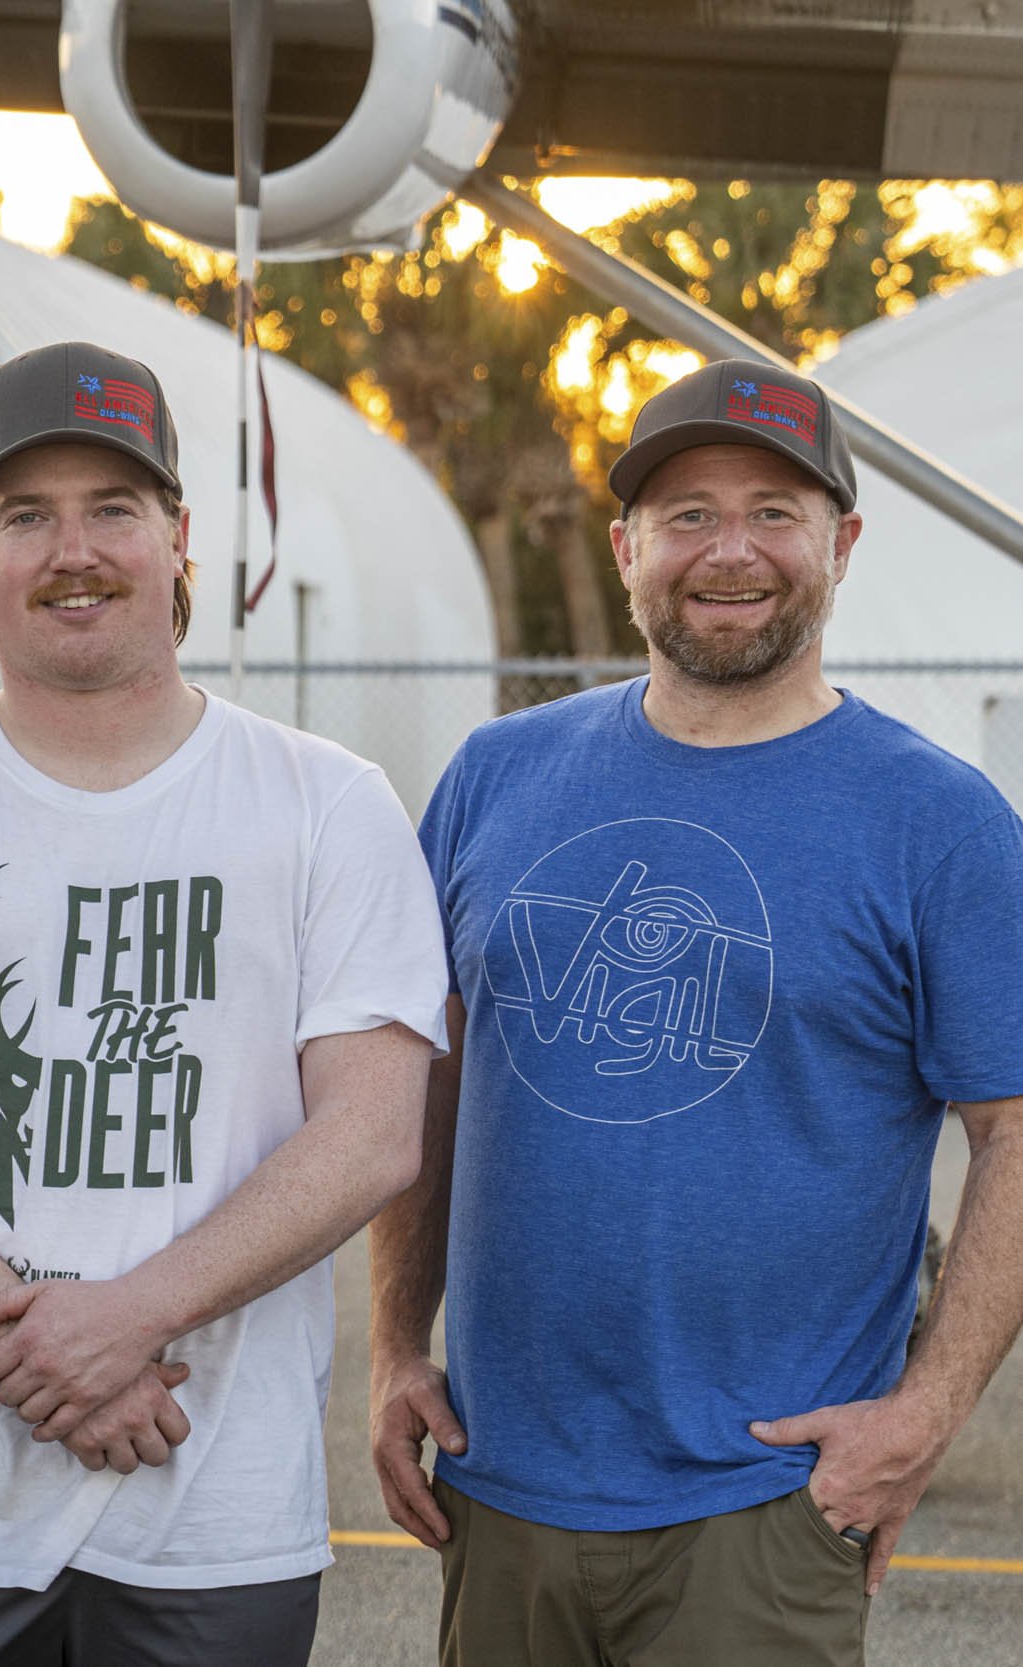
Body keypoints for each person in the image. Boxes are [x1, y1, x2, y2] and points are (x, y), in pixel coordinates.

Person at [0, 341, 449, 1665]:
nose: (74, 549)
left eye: (112, 509)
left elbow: (371, 1137)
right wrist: (57, 1357)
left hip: (215, 1513)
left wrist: (135, 1319)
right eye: (26, 516)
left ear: (180, 535)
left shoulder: (326, 805)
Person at [370, 357, 1023, 1665]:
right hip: (500, 1494)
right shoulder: (499, 779)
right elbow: (426, 1087)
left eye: (775, 512)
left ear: (841, 543)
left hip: (764, 1507)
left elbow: (1013, 1133)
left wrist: (924, 1417)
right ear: (625, 550)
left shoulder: (937, 821)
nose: (731, 552)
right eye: (687, 516)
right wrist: (395, 1346)